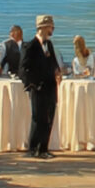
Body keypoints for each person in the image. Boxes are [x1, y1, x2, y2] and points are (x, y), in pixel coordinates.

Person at [19, 14, 62, 159]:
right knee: (38, 118)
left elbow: (53, 62)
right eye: (50, 27)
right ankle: (33, 148)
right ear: (42, 28)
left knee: (49, 117)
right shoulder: (30, 46)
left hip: (50, 86)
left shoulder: (49, 44)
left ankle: (44, 148)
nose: (52, 29)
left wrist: (57, 71)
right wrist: (32, 84)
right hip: (38, 87)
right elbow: (23, 68)